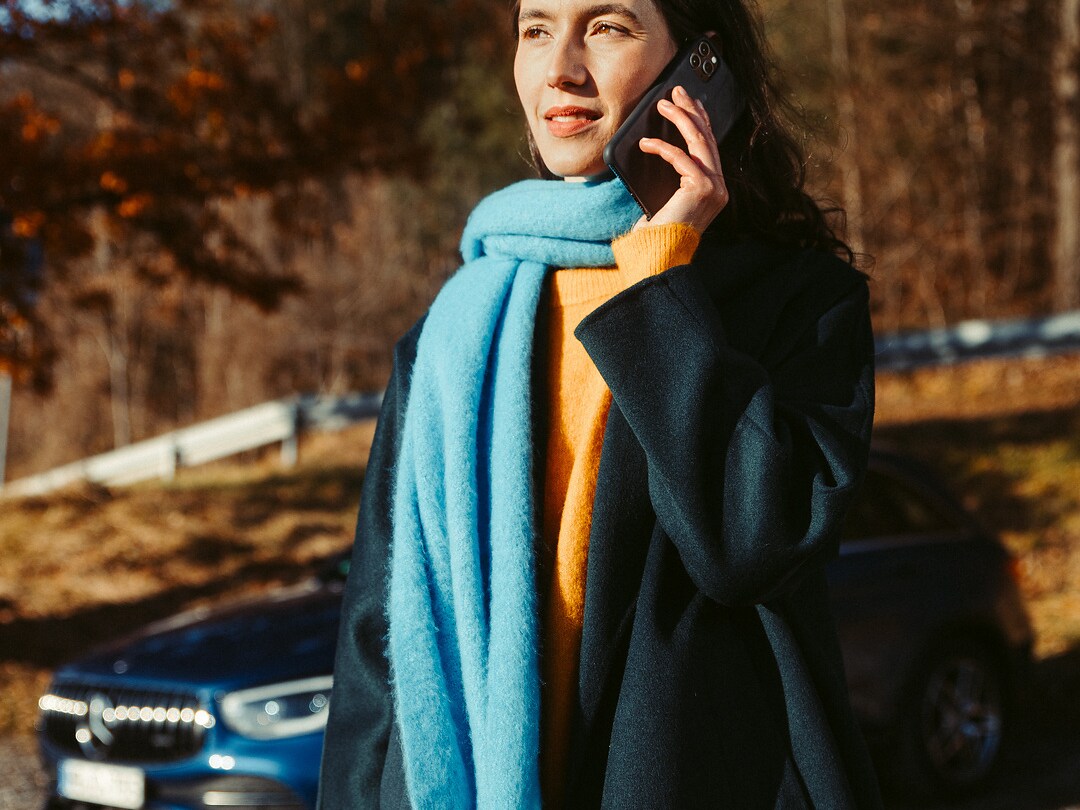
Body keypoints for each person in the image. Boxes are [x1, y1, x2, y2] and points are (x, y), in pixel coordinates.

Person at [318, 0, 881, 806]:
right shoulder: (452, 331)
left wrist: (660, 276)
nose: (561, 70)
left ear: (699, 67)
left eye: (608, 27)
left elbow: (753, 544)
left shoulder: (798, 302)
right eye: (536, 29)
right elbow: (378, 648)